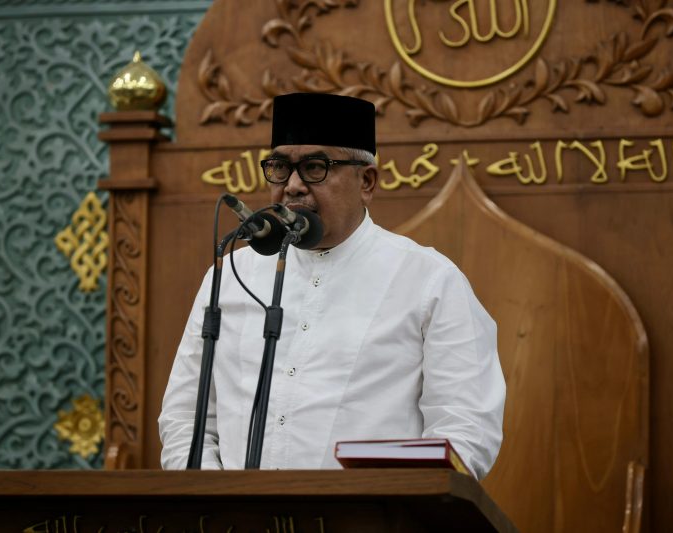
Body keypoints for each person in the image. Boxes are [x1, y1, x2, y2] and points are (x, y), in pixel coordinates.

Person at [159, 92, 505, 479]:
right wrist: (222, 501)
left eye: (315, 167)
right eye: (278, 167)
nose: (292, 186)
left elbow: (465, 430)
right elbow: (185, 419)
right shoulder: (232, 275)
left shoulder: (429, 281)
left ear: (367, 181)